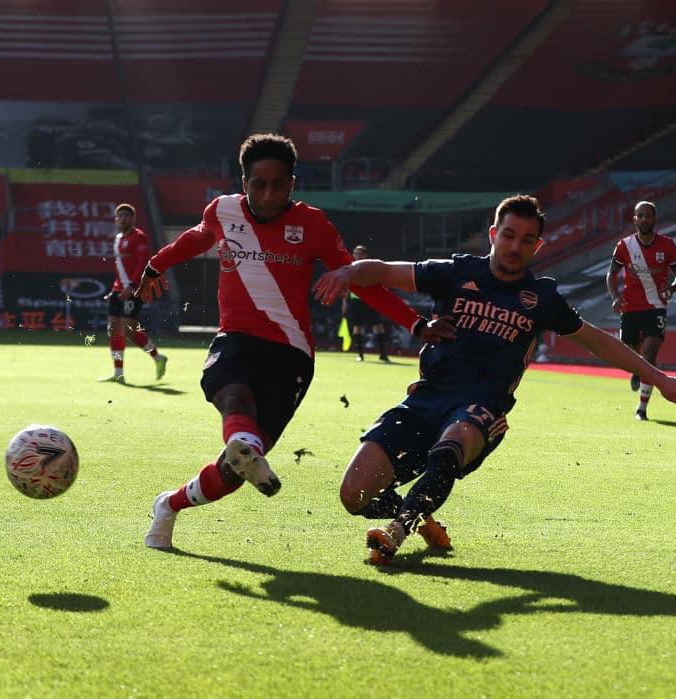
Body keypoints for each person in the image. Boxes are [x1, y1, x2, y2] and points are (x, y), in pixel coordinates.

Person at [313, 194, 676, 564]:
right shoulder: (455, 272)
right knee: (354, 495)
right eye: (509, 235)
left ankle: (398, 529)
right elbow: (380, 271)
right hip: (426, 400)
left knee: (453, 442)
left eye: (527, 240)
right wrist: (347, 271)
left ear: (538, 246)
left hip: (482, 409)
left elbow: (598, 342)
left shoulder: (542, 298)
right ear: (494, 234)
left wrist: (659, 377)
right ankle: (420, 513)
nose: (516, 246)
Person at [136, 133, 454, 550]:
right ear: (243, 181)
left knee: (233, 472)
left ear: (292, 183)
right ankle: (244, 443)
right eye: (258, 184)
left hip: (291, 355)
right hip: (235, 339)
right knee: (232, 396)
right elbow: (197, 237)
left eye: (278, 185)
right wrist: (156, 265)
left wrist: (415, 324)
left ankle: (170, 503)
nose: (268, 195)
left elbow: (361, 282)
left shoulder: (315, 226)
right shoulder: (222, 211)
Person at [605, 200, 676, 420]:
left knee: (649, 356)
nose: (644, 219)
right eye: (640, 216)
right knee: (629, 354)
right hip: (630, 307)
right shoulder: (624, 246)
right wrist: (614, 297)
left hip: (656, 307)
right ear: (634, 219)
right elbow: (610, 275)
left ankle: (642, 409)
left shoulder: (668, 246)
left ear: (655, 218)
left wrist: (671, 288)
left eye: (648, 215)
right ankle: (636, 369)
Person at [98, 203, 168, 384]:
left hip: (134, 289)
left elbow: (142, 263)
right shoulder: (118, 238)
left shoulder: (139, 237)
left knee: (129, 329)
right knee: (113, 329)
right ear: (116, 219)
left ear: (133, 219)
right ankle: (118, 373)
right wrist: (115, 289)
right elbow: (120, 267)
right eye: (119, 216)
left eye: (126, 216)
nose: (122, 219)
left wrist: (130, 285)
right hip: (118, 289)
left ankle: (157, 357)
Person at [342, 244, 391, 362]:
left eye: (360, 254)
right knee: (357, 327)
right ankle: (360, 354)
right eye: (356, 254)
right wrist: (344, 302)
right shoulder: (350, 267)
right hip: (356, 302)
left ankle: (383, 354)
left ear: (365, 255)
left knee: (378, 327)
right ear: (353, 255)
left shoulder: (371, 266)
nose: (358, 256)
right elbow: (348, 286)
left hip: (370, 301)